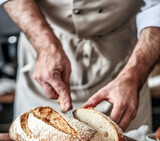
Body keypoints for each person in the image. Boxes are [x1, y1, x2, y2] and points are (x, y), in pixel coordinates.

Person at [1, 0, 160, 132]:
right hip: (42, 45)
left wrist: (133, 76)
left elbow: (156, 8)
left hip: (126, 58)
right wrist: (45, 46)